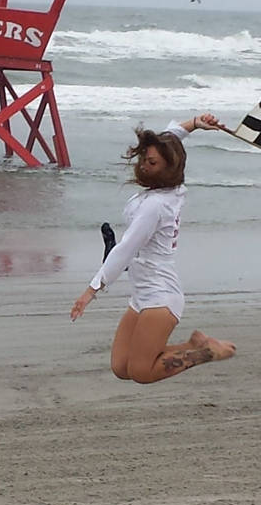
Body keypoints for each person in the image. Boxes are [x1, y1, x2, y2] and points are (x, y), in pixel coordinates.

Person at [70, 113, 236, 384]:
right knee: (122, 366)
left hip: (161, 296)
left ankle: (206, 353)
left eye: (151, 163)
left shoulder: (155, 206)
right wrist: (194, 124)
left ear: (170, 166)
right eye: (143, 160)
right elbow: (170, 137)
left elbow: (125, 249)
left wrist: (91, 290)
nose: (144, 167)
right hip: (142, 295)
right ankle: (195, 344)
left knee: (142, 372)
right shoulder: (170, 190)